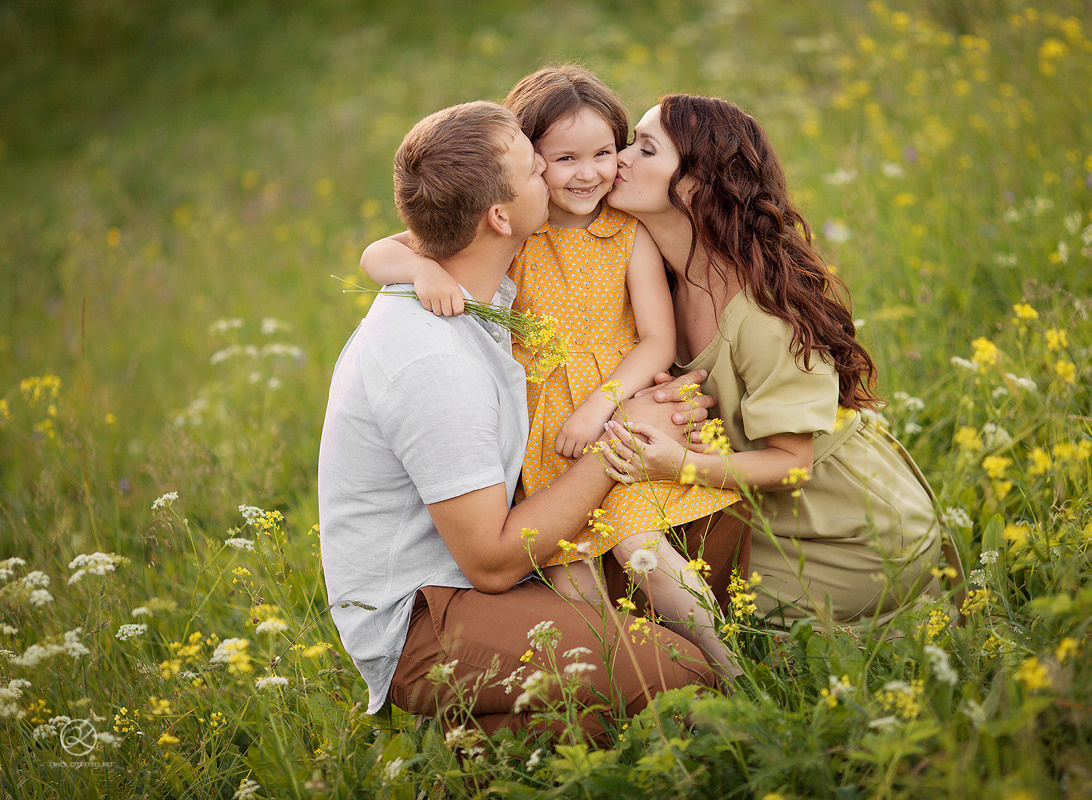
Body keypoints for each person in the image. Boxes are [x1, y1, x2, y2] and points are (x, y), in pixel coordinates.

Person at [317, 100, 731, 740]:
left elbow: (406, 244)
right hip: (434, 603)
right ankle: (488, 750)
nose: (554, 167)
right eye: (537, 165)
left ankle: (552, 719)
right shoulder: (432, 358)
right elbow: (490, 562)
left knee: (723, 550)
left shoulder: (486, 275)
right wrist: (624, 439)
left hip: (512, 538)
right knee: (678, 675)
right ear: (501, 216)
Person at [598, 94, 965, 629]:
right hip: (768, 510)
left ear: (697, 186)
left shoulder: (759, 311)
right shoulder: (661, 277)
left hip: (851, 525)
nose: (622, 158)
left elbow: (792, 463)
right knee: (644, 573)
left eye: (647, 149)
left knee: (675, 598)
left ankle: (912, 607)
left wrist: (679, 466)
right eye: (633, 142)